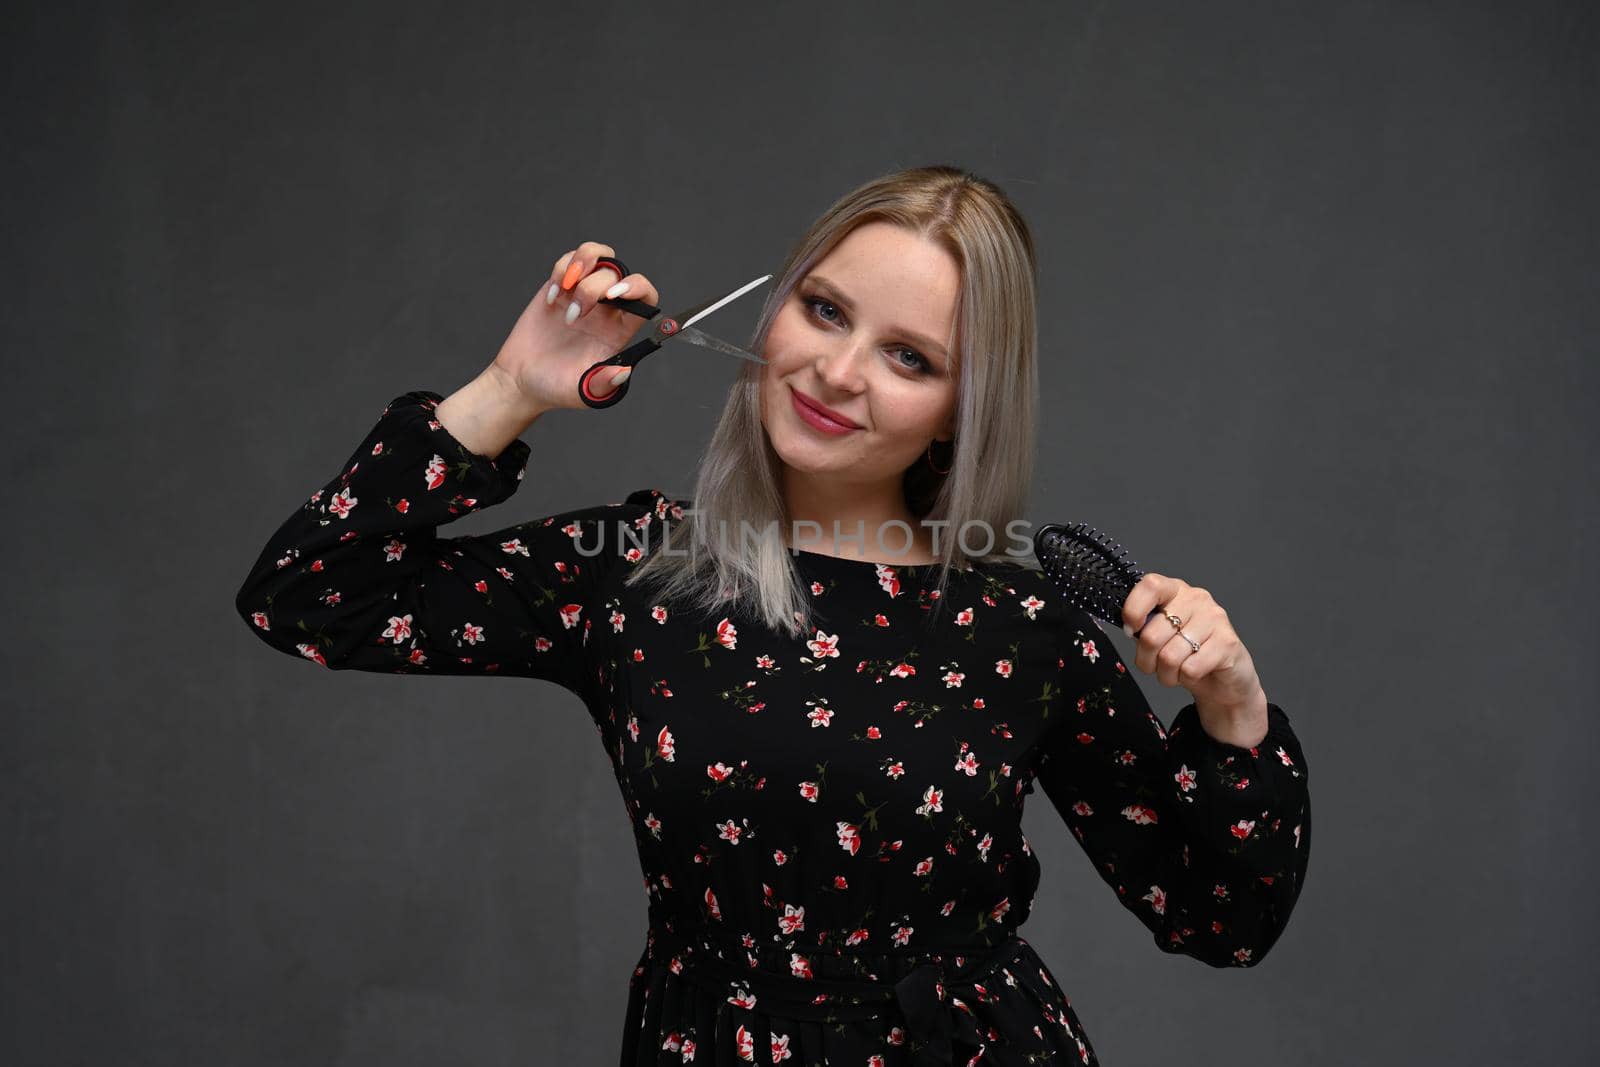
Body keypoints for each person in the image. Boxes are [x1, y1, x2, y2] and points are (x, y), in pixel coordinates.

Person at [235, 166, 1311, 1066]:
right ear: (774, 306)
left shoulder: (1019, 617)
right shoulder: (640, 569)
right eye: (825, 309)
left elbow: (1219, 917)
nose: (836, 373)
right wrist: (512, 386)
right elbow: (308, 595)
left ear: (961, 406)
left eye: (910, 357)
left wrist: (1234, 704)